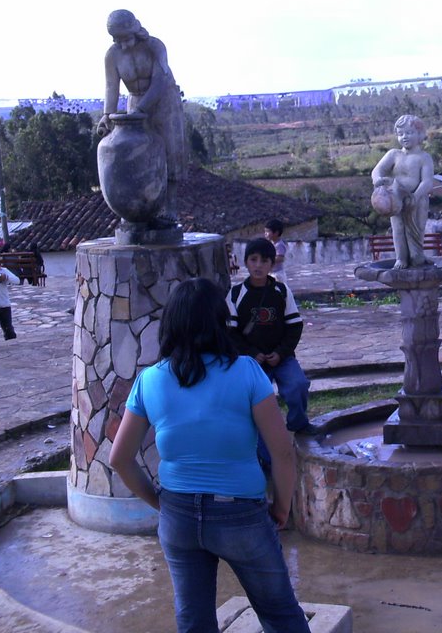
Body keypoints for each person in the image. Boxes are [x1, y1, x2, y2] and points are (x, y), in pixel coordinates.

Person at [109, 278, 311, 632]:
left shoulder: (150, 380)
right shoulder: (247, 371)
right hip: (241, 515)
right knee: (281, 616)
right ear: (221, 322)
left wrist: (162, 504)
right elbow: (282, 451)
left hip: (178, 518)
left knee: (193, 621)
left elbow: (119, 459)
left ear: (170, 325)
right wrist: (282, 505)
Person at [96, 9, 186, 227]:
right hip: (135, 99)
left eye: (125, 38)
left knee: (169, 150)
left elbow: (160, 80)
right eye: (117, 40)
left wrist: (142, 109)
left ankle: (170, 206)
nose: (123, 44)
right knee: (137, 152)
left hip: (164, 100)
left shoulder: (155, 46)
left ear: (135, 30)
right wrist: (107, 114)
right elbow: (111, 86)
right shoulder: (112, 55)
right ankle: (138, 206)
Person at [227, 238, 316, 436]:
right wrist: (251, 353)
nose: (258, 265)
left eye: (264, 261)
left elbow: (294, 326)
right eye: (253, 259)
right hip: (251, 362)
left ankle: (298, 424)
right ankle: (261, 441)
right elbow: (230, 333)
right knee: (258, 398)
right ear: (246, 261)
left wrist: (281, 352)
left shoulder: (281, 291)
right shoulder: (235, 295)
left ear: (272, 264)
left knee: (298, 385)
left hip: (281, 358)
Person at [370, 114, 435, 268]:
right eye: (400, 134)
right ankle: (401, 258)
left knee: (416, 229)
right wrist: (378, 181)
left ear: (420, 134)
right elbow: (377, 170)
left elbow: (427, 182)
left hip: (418, 201)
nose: (404, 137)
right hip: (396, 199)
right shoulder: (394, 154)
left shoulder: (424, 158)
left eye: (409, 133)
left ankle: (417, 257)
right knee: (398, 229)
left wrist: (416, 196)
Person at [264, 219, 288, 284]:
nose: (265, 234)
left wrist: (268, 260)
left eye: (268, 231)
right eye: (265, 231)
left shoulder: (279, 245)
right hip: (271, 272)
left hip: (277, 274)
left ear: (276, 233)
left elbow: (280, 258)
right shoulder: (270, 243)